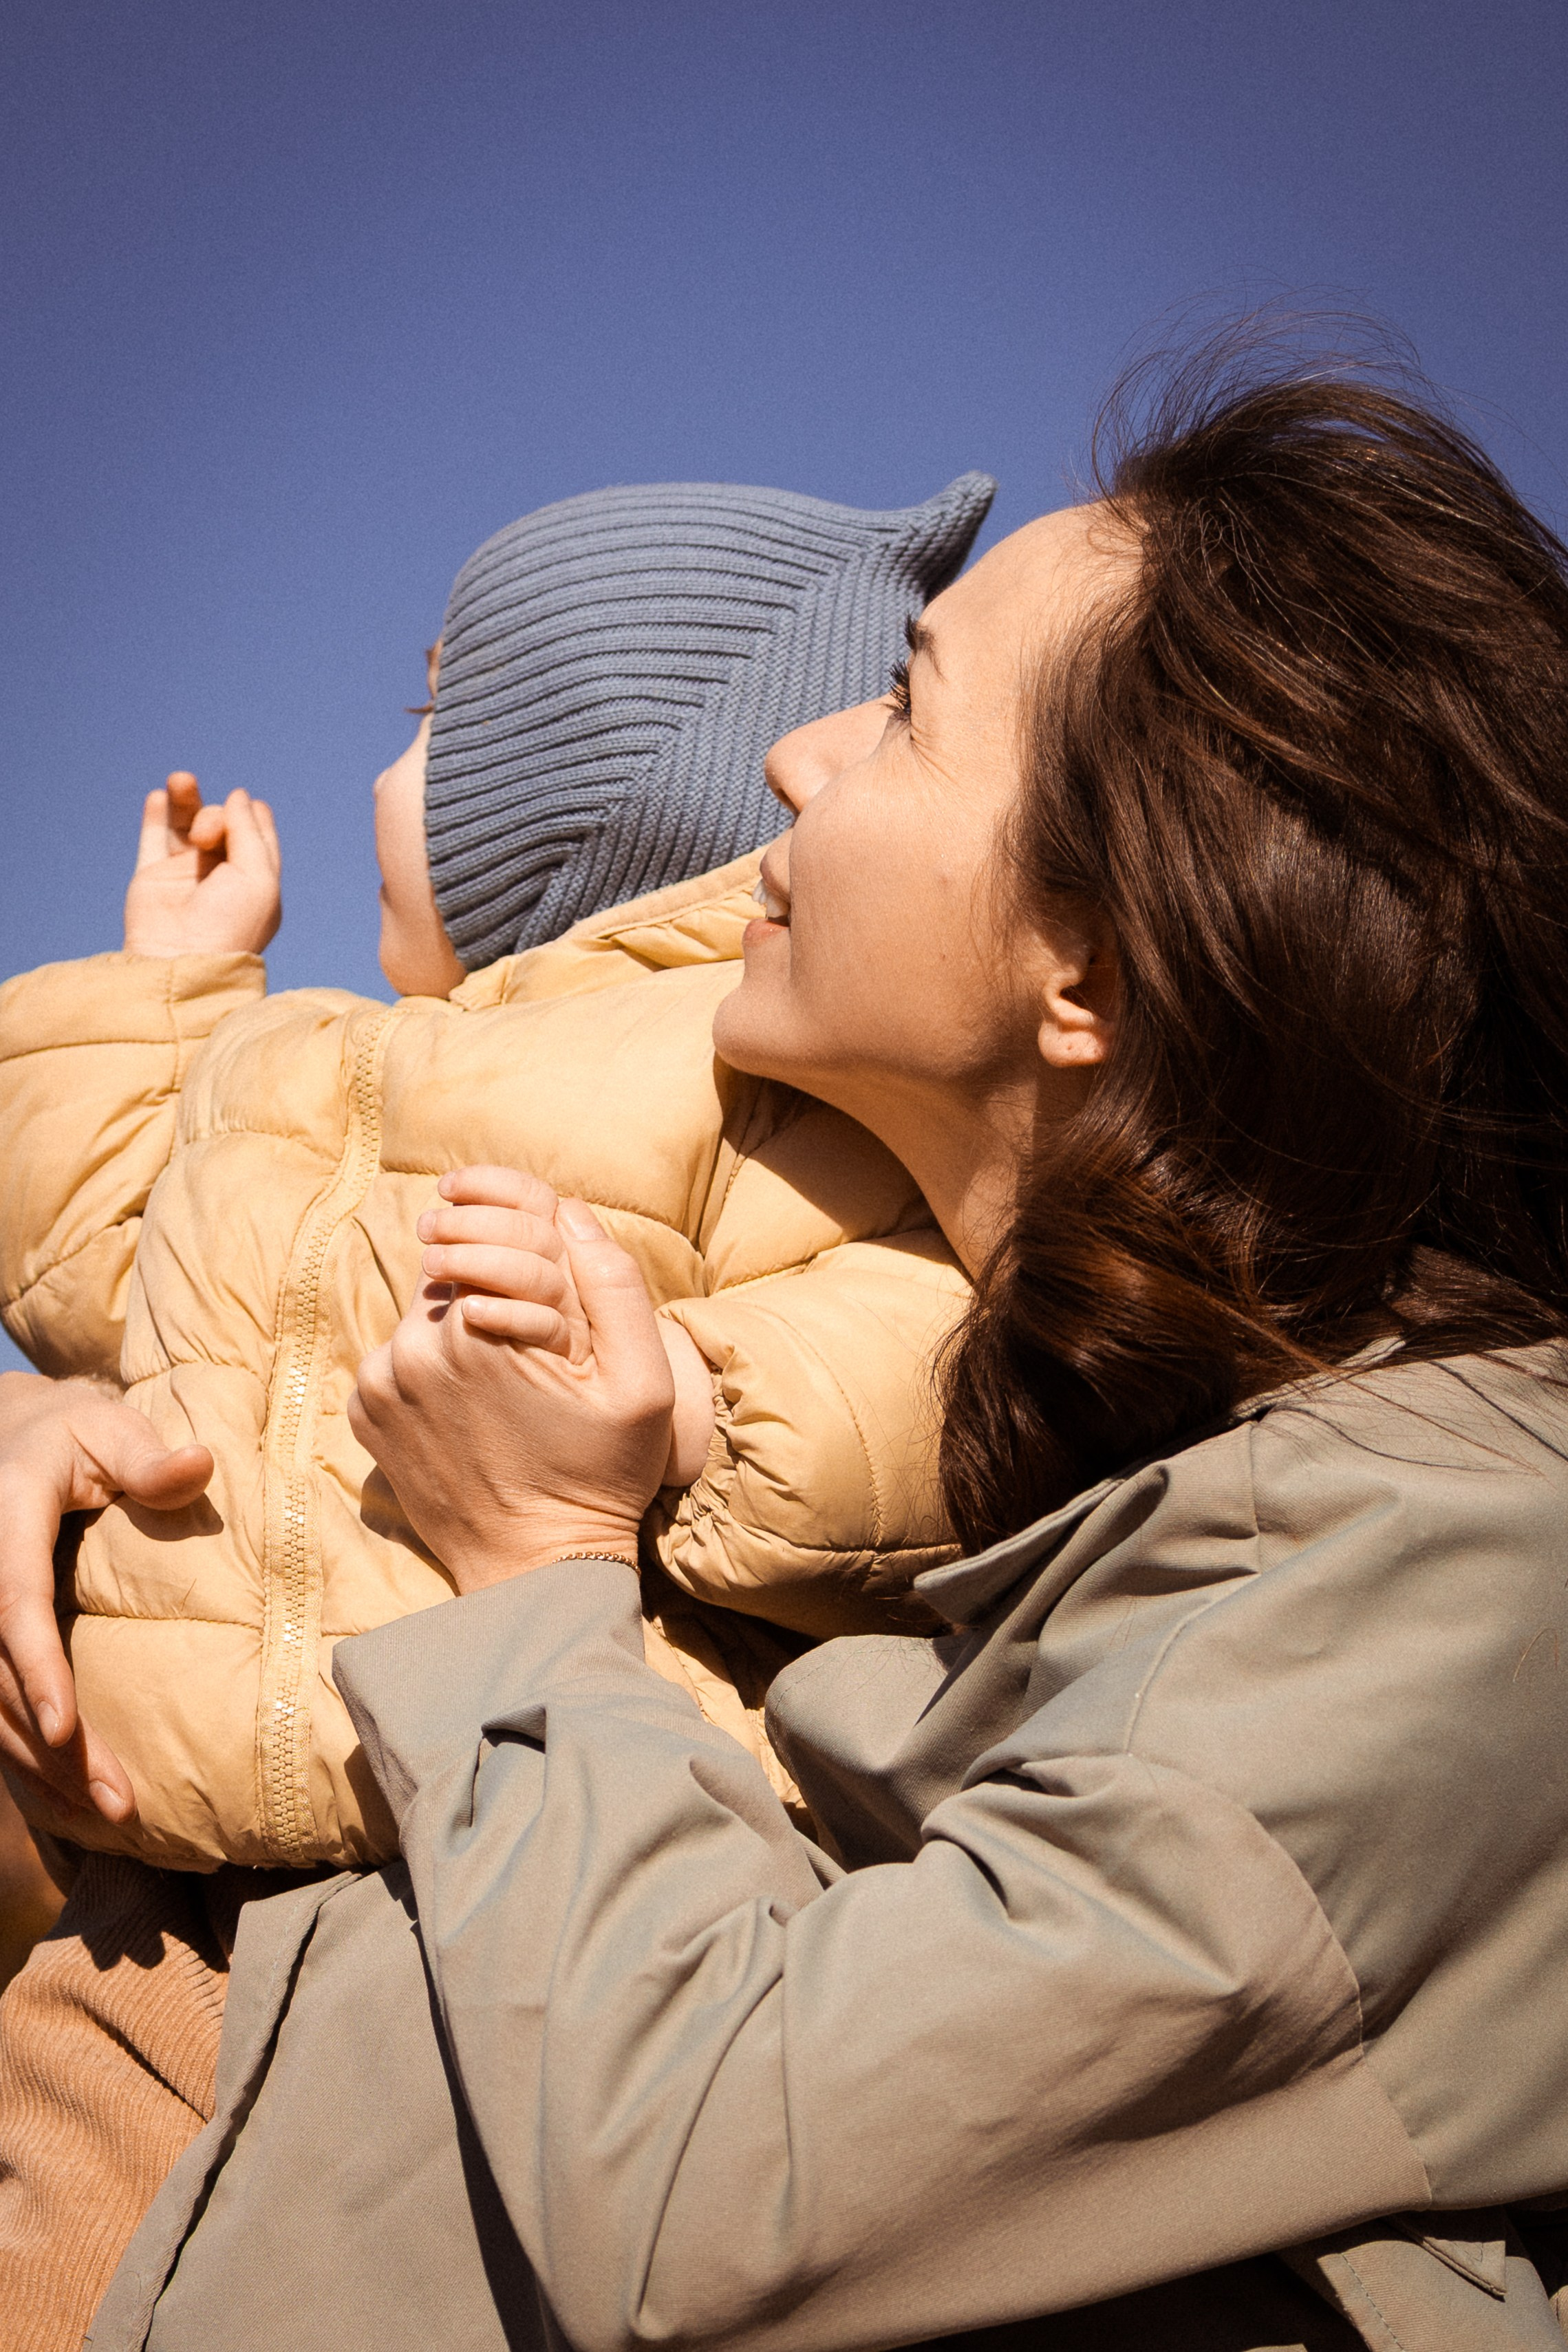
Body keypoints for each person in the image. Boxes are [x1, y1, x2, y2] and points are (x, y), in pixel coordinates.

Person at [10, 343, 1568, 2352]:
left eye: (910, 712)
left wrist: (541, 1569)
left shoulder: (1446, 1576)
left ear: (1091, 962)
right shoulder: (1112, 1466)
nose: (799, 760)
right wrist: (86, 1441)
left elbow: (719, 2186)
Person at [0, 474, 996, 2349]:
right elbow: (93, 1266)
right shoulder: (298, 1060)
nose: (393, 766)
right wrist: (163, 985)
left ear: (566, 786)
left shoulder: (771, 1096)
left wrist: (701, 1401)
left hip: (484, 1919)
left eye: (432, 715)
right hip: (145, 1911)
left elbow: (925, 1355)